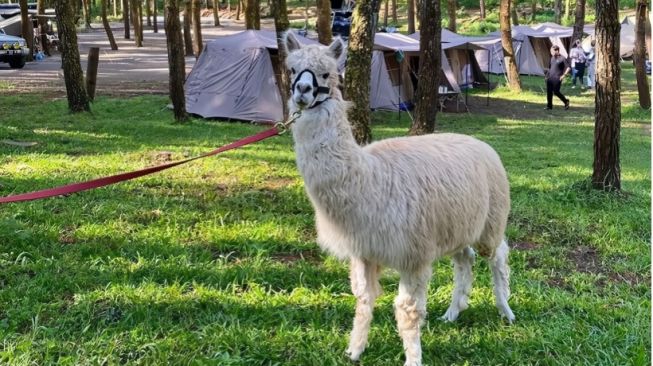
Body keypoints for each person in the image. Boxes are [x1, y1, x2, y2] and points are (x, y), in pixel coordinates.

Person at [545, 45, 571, 110]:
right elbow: (550, 68)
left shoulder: (562, 58)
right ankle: (549, 106)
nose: (551, 52)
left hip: (557, 77)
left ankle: (566, 101)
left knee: (556, 91)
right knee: (549, 92)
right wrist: (547, 76)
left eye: (552, 51)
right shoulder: (552, 58)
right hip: (550, 77)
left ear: (557, 51)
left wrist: (564, 75)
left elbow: (568, 67)